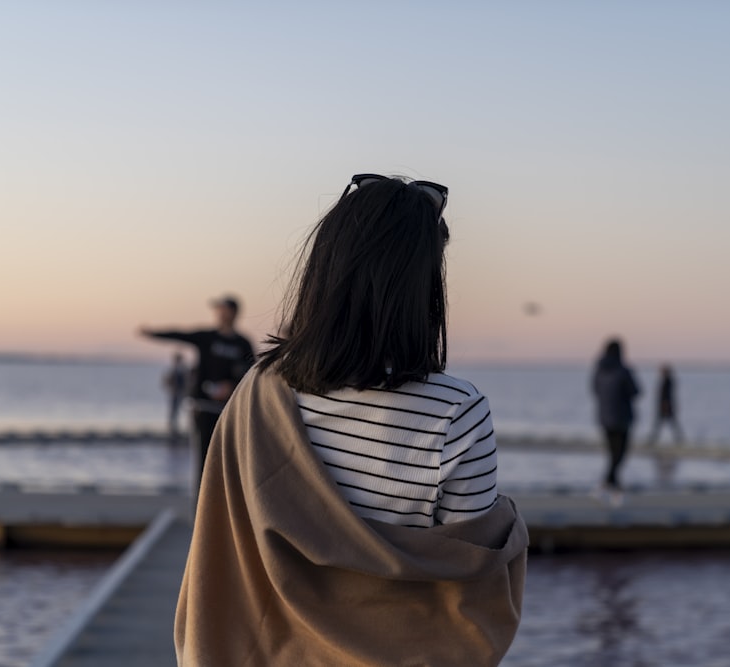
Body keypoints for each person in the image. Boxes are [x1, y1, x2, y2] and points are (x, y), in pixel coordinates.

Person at [175, 174, 528, 665]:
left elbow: (218, 550)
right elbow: (472, 578)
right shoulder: (456, 410)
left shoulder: (259, 392)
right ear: (423, 283)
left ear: (325, 271)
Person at [139, 296, 255, 491]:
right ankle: (201, 513)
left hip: (229, 411)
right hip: (203, 408)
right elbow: (180, 334)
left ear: (233, 313)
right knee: (204, 461)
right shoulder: (207, 337)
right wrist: (152, 334)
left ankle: (226, 507)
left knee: (229, 461)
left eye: (223, 309)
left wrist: (232, 386)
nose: (219, 313)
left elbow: (252, 374)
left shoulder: (243, 343)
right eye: (217, 309)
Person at [592, 338, 640, 502]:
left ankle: (614, 486)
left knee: (613, 453)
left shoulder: (599, 370)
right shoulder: (623, 370)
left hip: (605, 417)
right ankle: (607, 483)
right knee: (619, 454)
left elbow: (594, 390)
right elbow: (635, 391)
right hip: (622, 417)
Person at [647, 364, 684, 445]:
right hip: (665, 405)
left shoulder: (668, 381)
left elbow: (667, 394)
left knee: (664, 423)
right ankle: (678, 438)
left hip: (665, 406)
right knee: (663, 423)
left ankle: (679, 438)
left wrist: (665, 404)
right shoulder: (666, 380)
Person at [163, 352, 188, 437]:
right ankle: (173, 428)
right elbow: (166, 381)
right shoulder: (173, 370)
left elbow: (187, 381)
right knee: (174, 411)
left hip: (181, 393)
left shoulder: (183, 370)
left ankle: (180, 428)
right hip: (175, 393)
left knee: (181, 410)